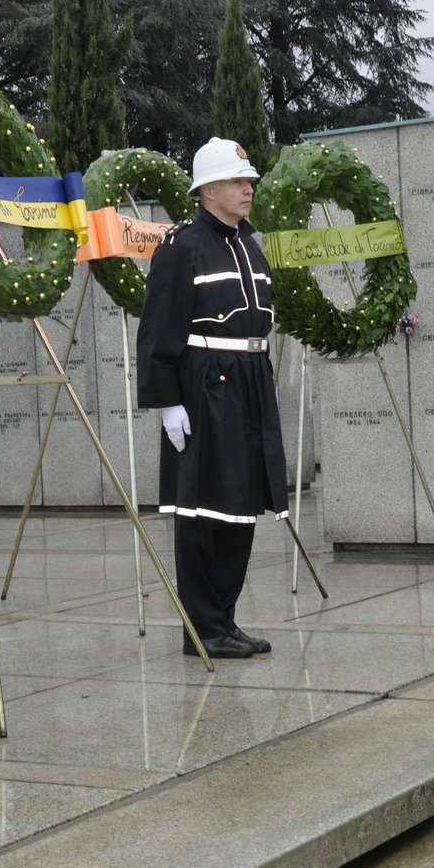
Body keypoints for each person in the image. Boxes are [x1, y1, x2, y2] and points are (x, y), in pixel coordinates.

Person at [136, 137, 288, 660]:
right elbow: (159, 328)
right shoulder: (181, 246)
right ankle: (201, 627)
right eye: (238, 181)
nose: (248, 188)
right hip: (205, 384)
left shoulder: (250, 242)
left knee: (242, 505)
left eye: (249, 181)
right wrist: (167, 401)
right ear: (208, 190)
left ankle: (223, 618)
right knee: (202, 510)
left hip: (250, 378)